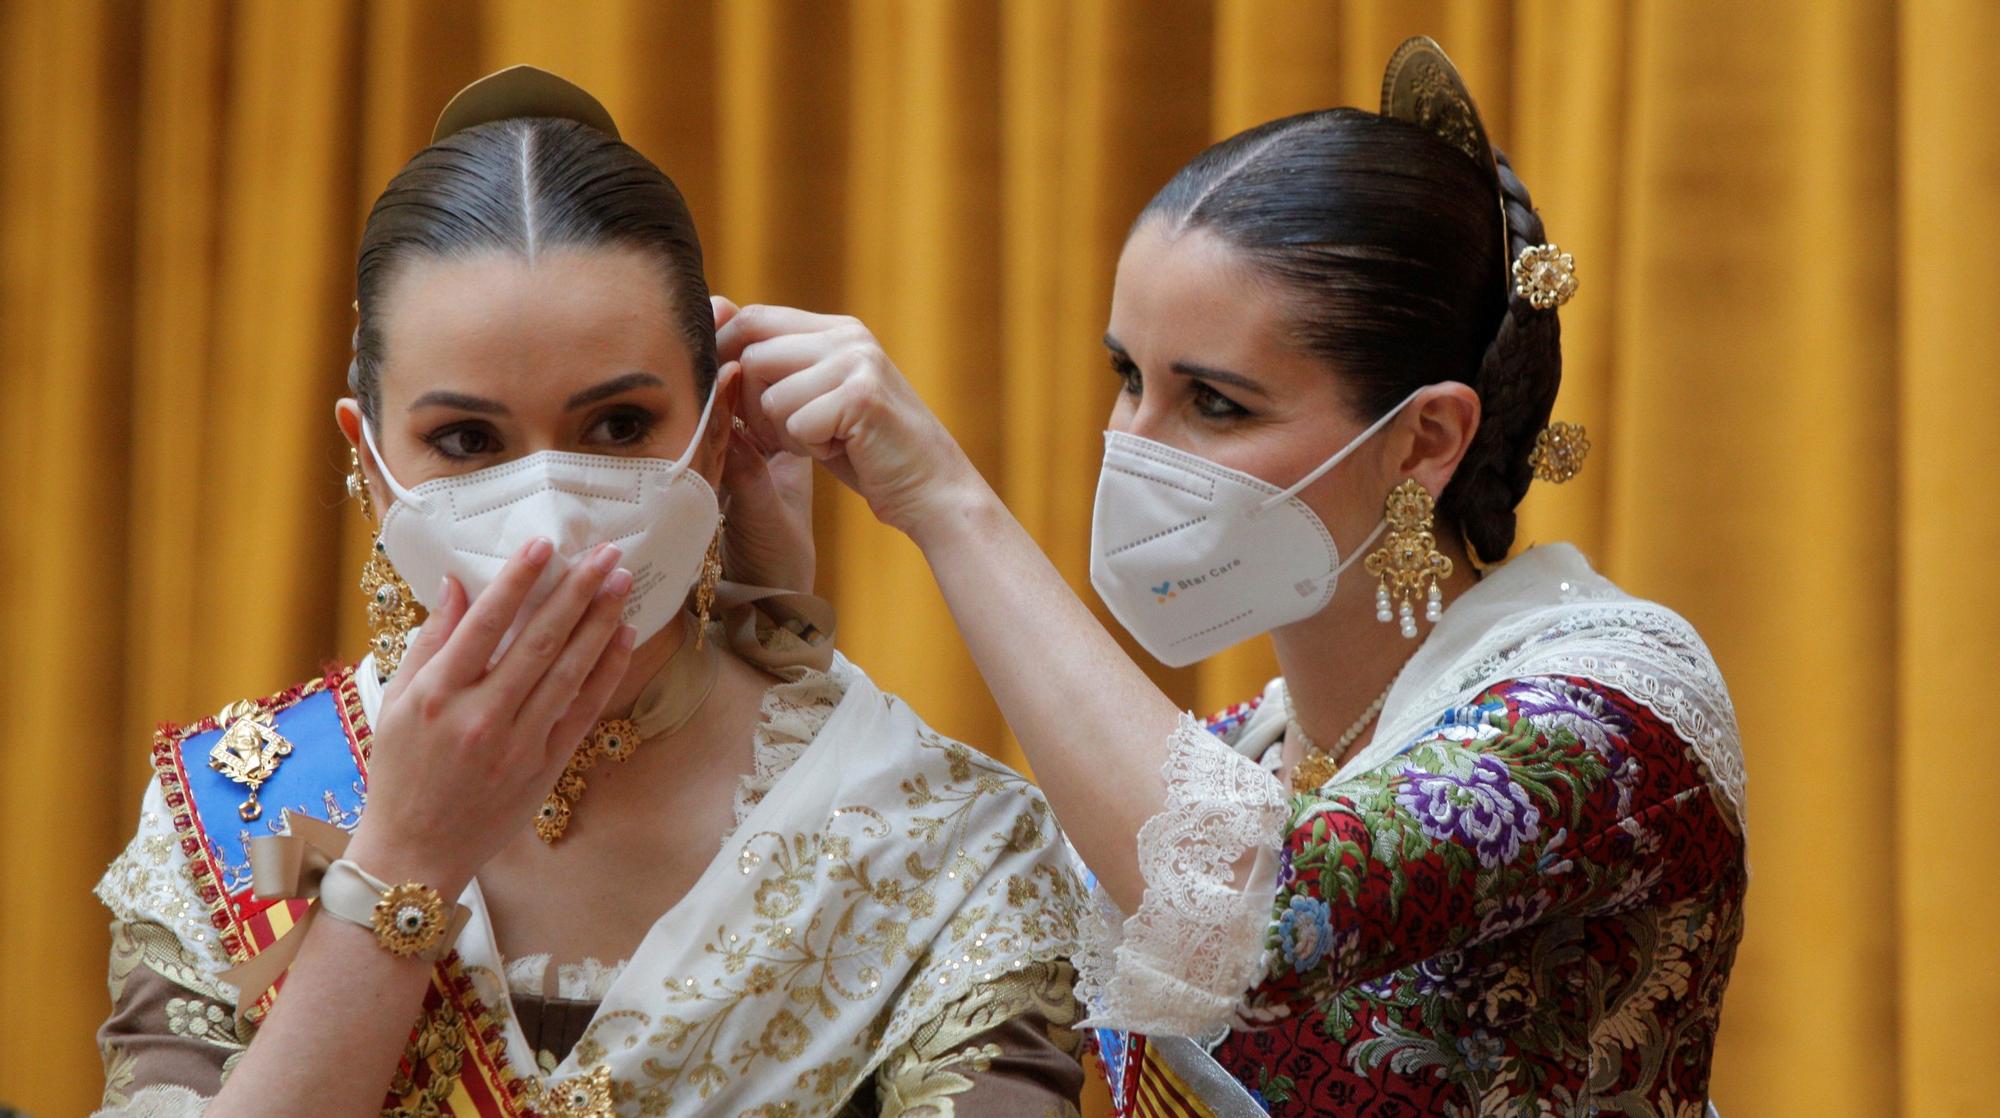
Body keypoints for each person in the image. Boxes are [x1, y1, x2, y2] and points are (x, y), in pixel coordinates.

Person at [716, 37, 1745, 1117]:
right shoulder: (1232, 752)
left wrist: (943, 502)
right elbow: (867, 962)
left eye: (1214, 402)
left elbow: (1247, 911)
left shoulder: (1610, 709)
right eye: (1127, 378)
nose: (1134, 445)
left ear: (1422, 440)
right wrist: (767, 610)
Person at [91, 67, 1089, 1118]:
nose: (549, 518)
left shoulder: (941, 839)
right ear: (367, 457)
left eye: (617, 426)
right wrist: (399, 866)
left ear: (717, 429)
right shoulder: (249, 809)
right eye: (466, 440)